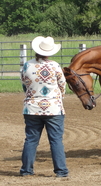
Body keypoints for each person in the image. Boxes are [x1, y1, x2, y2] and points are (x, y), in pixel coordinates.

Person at [19, 36, 68, 177]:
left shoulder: (27, 65)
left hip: (32, 107)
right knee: (56, 140)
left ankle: (26, 170)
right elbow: (62, 86)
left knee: (31, 139)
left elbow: (24, 84)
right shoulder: (55, 66)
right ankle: (61, 171)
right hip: (53, 108)